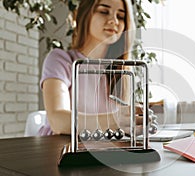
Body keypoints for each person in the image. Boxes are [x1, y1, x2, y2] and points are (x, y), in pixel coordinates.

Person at [39, 0, 141, 137]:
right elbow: (58, 122)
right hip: (60, 150)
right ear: (84, 15)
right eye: (104, 11)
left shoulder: (120, 70)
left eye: (121, 16)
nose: (114, 21)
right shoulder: (61, 60)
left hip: (102, 150)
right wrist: (115, 120)